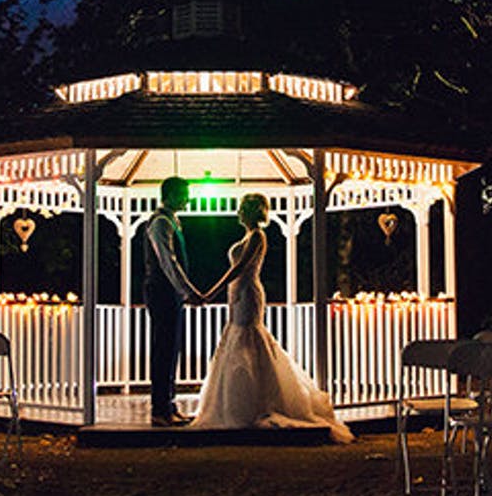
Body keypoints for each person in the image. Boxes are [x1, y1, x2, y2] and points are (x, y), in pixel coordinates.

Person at [192, 193, 353, 442]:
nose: (239, 212)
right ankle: (237, 403)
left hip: (248, 292)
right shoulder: (248, 236)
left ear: (252, 211)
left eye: (244, 208)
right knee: (236, 337)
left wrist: (211, 291)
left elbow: (240, 266)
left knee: (248, 338)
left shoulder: (257, 236)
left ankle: (257, 400)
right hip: (237, 293)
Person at [141, 176, 205, 426]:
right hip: (161, 291)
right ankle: (160, 409)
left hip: (170, 293)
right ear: (170, 195)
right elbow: (169, 263)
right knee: (163, 349)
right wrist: (187, 291)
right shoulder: (160, 223)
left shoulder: (172, 221)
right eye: (184, 194)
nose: (188, 200)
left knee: (172, 347)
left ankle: (169, 404)